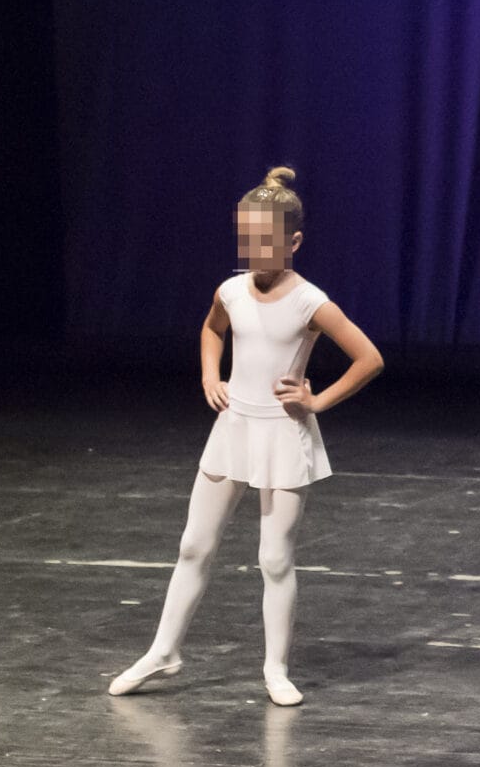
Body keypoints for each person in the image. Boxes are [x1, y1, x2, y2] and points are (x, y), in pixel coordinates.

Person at [109, 168, 385, 706]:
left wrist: (317, 401)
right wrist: (211, 377)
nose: (254, 251)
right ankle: (164, 651)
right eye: (246, 239)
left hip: (283, 434)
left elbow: (368, 358)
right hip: (234, 427)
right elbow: (212, 329)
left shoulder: (310, 302)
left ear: (293, 242)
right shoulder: (231, 290)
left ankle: (275, 668)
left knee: (274, 558)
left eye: (265, 241)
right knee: (194, 544)